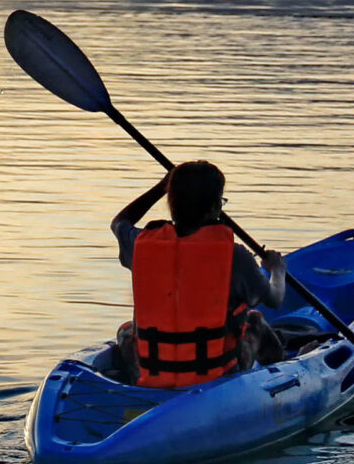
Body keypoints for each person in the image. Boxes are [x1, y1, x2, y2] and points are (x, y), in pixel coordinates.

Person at [111, 160, 287, 387]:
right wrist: (277, 269)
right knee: (255, 320)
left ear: (171, 201)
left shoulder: (141, 244)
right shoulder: (235, 256)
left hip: (153, 373)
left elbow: (119, 222)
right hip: (216, 376)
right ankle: (281, 375)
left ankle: (133, 384)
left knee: (126, 330)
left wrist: (161, 187)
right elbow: (275, 298)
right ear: (215, 207)